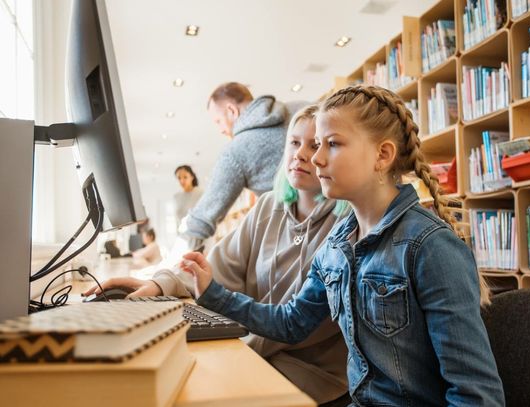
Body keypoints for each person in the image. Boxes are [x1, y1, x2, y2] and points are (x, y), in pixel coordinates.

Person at [179, 86, 505, 406]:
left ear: (383, 155)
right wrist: (211, 292)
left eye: (332, 144)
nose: (316, 158)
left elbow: (476, 395)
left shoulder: (430, 248)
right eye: (318, 144)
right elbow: (292, 323)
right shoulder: (335, 246)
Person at [84, 105, 350, 406]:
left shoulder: (347, 223)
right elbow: (215, 266)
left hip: (310, 370)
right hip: (256, 349)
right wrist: (161, 284)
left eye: (315, 145)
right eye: (294, 142)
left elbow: (301, 324)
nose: (301, 154)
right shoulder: (267, 207)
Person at [180, 82, 305, 251]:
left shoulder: (235, 151)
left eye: (218, 121)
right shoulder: (303, 110)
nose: (220, 129)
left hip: (298, 243)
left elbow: (202, 220)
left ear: (232, 111)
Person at [173, 165, 203, 231]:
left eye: (185, 177)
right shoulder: (176, 196)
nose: (182, 181)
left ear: (192, 177)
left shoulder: (201, 193)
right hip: (183, 236)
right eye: (179, 178)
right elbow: (177, 222)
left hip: (200, 234)